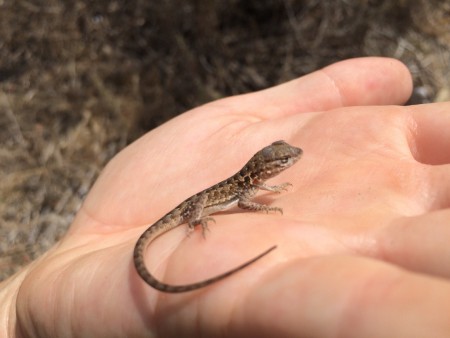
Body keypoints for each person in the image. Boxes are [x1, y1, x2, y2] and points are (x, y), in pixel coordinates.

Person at [2, 57, 450, 338]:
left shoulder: (250, 178)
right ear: (265, 165)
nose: (290, 160)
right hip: (190, 207)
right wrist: (201, 218)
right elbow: (240, 201)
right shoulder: (242, 187)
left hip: (209, 197)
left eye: (286, 160)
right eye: (283, 161)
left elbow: (249, 191)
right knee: (203, 211)